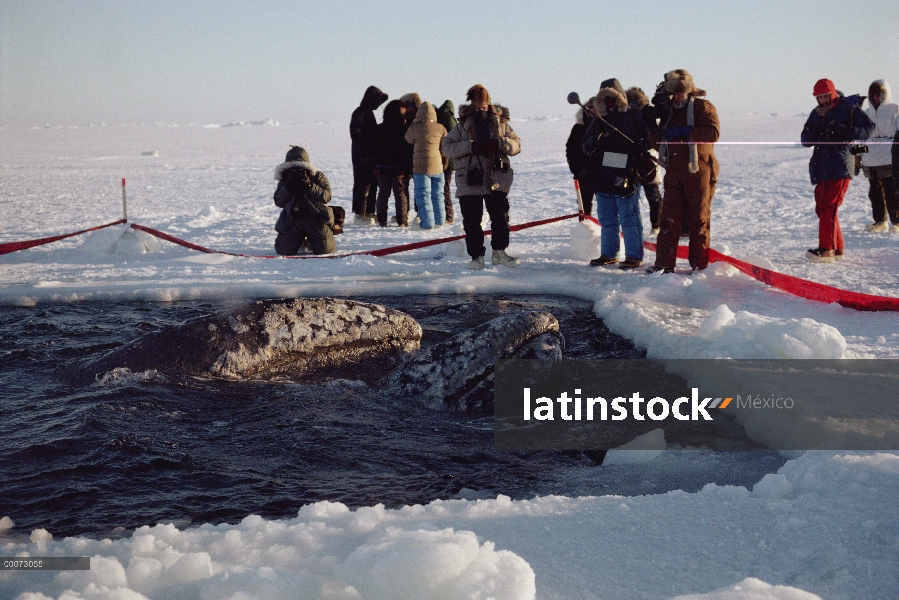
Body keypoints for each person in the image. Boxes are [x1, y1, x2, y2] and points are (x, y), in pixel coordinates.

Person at [647, 69, 720, 274]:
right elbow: (660, 143)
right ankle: (664, 264)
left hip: (699, 170)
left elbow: (713, 133)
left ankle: (699, 267)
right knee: (668, 220)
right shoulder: (670, 113)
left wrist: (688, 132)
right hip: (674, 171)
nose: (677, 97)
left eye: (681, 92)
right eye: (674, 93)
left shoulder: (703, 107)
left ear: (689, 91)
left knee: (699, 220)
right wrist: (651, 129)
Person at [441, 84, 521, 269]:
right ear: (472, 106)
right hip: (470, 180)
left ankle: (499, 253)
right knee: (471, 220)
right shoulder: (462, 126)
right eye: (477, 108)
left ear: (489, 105)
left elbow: (517, 145)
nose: (480, 111)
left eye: (483, 107)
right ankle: (476, 257)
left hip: (496, 180)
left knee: (500, 218)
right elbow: (447, 147)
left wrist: (499, 142)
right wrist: (471, 147)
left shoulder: (501, 125)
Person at [581, 79, 652, 269]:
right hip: (603, 175)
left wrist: (643, 144)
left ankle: (634, 256)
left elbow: (650, 135)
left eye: (612, 98)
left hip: (626, 174)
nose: (609, 103)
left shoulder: (634, 116)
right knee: (607, 217)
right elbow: (585, 144)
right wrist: (593, 143)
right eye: (605, 99)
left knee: (629, 217)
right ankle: (608, 253)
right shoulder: (599, 120)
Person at [800, 79, 874, 262]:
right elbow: (805, 139)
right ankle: (837, 247)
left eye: (826, 96)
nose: (823, 100)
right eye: (819, 97)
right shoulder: (816, 114)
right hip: (821, 165)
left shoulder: (847, 108)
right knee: (822, 207)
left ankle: (826, 249)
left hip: (840, 163)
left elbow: (869, 127)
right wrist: (810, 133)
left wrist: (849, 131)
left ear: (832, 94)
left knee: (829, 206)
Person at [273, 146, 337, 255]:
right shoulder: (285, 178)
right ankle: (299, 242)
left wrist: (310, 185)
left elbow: (327, 196)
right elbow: (279, 201)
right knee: (283, 250)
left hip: (316, 218)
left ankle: (313, 242)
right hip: (292, 219)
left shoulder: (317, 176)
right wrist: (288, 186)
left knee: (325, 250)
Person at [860, 80, 899, 233]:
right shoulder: (866, 113)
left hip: (889, 157)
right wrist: (859, 157)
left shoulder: (894, 110)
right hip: (870, 159)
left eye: (879, 95)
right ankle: (880, 221)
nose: (876, 98)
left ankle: (896, 222)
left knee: (892, 191)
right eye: (873, 95)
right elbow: (861, 135)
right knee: (874, 191)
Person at [625, 86, 664, 236]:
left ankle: (657, 224)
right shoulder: (625, 116)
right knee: (629, 193)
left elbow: (654, 133)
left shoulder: (647, 113)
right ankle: (632, 226)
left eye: (635, 103)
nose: (632, 106)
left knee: (652, 193)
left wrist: (645, 143)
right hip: (631, 158)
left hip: (648, 158)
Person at [405, 102, 448, 228]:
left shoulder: (415, 127)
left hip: (421, 168)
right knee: (438, 195)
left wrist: (414, 123)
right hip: (438, 167)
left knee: (424, 195)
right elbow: (445, 140)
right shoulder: (440, 127)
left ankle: (427, 223)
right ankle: (440, 221)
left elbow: (407, 138)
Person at [350, 86, 388, 225]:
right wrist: (364, 155)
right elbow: (357, 136)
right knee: (362, 184)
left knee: (372, 183)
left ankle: (370, 212)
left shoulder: (368, 113)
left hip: (371, 156)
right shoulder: (359, 113)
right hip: (362, 156)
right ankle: (359, 214)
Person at [374, 99, 414, 227]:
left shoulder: (379, 129)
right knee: (400, 193)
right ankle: (402, 221)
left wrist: (375, 166)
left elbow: (375, 149)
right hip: (400, 169)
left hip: (383, 167)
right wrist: (409, 169)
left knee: (383, 193)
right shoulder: (405, 130)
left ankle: (381, 219)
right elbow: (409, 150)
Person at [565, 96, 599, 218]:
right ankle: (584, 229)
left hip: (602, 172)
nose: (592, 111)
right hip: (583, 172)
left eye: (594, 108)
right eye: (589, 108)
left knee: (606, 204)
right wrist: (576, 167)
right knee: (583, 204)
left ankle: (607, 231)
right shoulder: (578, 128)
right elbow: (571, 149)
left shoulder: (604, 126)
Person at [436, 100, 458, 223]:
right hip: (451, 159)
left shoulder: (443, 118)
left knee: (444, 188)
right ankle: (447, 215)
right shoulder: (451, 118)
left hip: (446, 159)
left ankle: (448, 216)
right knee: (445, 187)